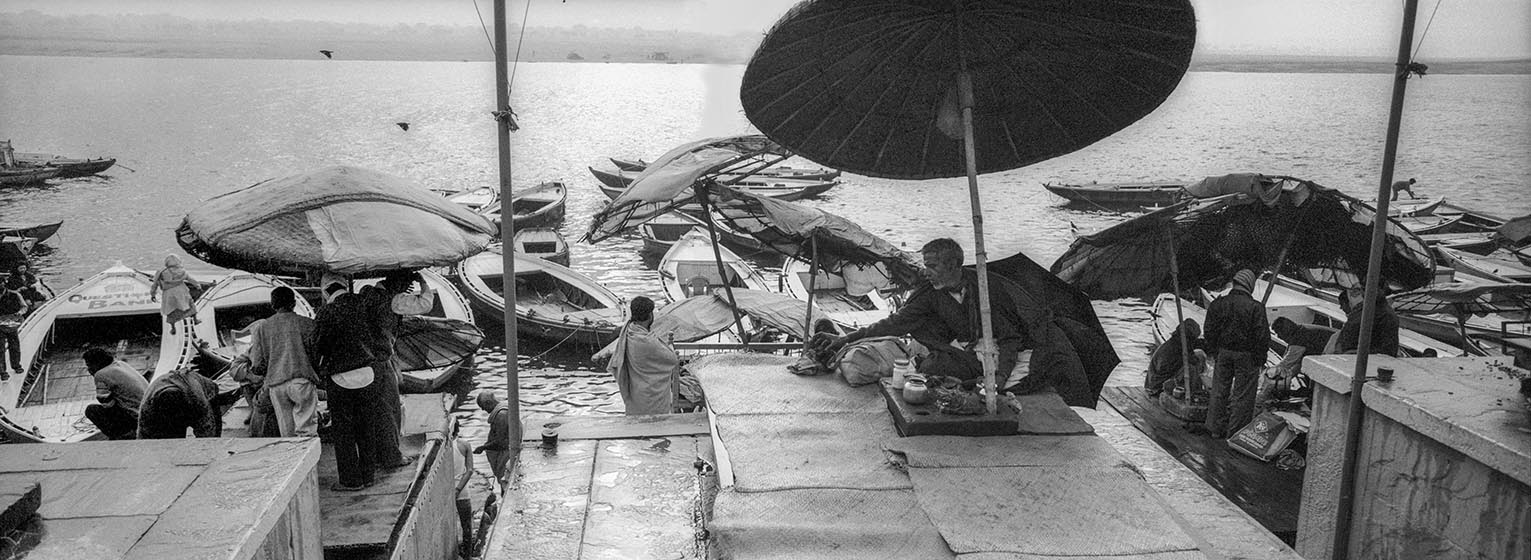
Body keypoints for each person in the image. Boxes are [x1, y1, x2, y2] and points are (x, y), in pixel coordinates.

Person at [813, 238, 1026, 387]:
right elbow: (896, 322)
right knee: (932, 366)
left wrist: (1001, 375)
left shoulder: (985, 288)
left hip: (989, 349)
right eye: (925, 265)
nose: (926, 272)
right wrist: (845, 339)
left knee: (935, 368)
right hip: (956, 349)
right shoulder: (929, 292)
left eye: (932, 266)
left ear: (953, 265)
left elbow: (1010, 337)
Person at [357, 271, 434, 469]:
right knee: (390, 409)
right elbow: (425, 304)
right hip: (380, 361)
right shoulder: (394, 301)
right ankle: (391, 456)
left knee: (373, 410)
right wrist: (422, 282)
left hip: (364, 360)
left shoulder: (367, 293)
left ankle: (376, 454)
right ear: (399, 284)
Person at [315, 276, 386, 491]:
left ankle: (350, 480)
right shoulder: (364, 304)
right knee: (366, 427)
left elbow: (320, 345)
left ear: (326, 292)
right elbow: (378, 336)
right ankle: (368, 475)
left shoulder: (327, 312)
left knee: (343, 431)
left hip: (341, 377)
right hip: (368, 373)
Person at [1201, 269, 1271, 439]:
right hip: (1247, 356)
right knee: (1243, 397)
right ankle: (1235, 433)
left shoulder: (1218, 303)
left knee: (1219, 391)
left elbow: (1209, 330)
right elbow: (1262, 336)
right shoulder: (1256, 307)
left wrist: (1215, 351)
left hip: (1223, 352)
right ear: (1250, 285)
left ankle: (1214, 428)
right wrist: (1260, 359)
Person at [247, 286, 320, 437]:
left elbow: (257, 364)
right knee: (307, 431)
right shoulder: (308, 324)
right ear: (294, 303)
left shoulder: (262, 327)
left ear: (272, 305)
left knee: (287, 434)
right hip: (302, 380)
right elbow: (317, 355)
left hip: (276, 384)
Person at [605, 296, 681, 415]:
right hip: (651, 398)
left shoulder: (629, 329)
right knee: (655, 424)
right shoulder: (647, 341)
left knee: (635, 422)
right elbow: (672, 359)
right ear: (650, 315)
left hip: (634, 393)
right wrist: (668, 347)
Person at [138, 366, 234, 439]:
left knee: (210, 432)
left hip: (195, 390)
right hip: (170, 394)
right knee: (170, 438)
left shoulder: (197, 398)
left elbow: (207, 431)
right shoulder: (150, 403)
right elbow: (143, 431)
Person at [82, 348, 148, 440]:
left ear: (96, 364)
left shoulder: (100, 374)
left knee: (91, 410)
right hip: (146, 411)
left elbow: (107, 404)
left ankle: (122, 436)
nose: (88, 369)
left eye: (89, 365)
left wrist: (95, 375)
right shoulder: (121, 364)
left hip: (136, 418)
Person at [1332, 288, 1400, 357]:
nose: (1341, 308)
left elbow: (1387, 351)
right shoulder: (1360, 311)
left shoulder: (1384, 315)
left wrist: (1354, 353)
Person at [1145, 319, 1205, 397]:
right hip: (1157, 385)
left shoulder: (1177, 342)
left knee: (1199, 355)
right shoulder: (1174, 348)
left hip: (1159, 380)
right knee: (1191, 368)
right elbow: (1189, 361)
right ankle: (1194, 391)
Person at [149, 255, 199, 335]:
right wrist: (197, 285)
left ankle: (173, 328)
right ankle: (195, 319)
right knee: (190, 304)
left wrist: (153, 294)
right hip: (181, 291)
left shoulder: (161, 272)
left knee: (171, 310)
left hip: (168, 293)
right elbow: (190, 279)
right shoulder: (181, 271)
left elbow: (155, 284)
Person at [472, 391, 511, 483]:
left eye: (483, 407)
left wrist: (483, 447)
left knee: (504, 479)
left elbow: (500, 442)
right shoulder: (503, 409)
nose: (483, 410)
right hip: (505, 451)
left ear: (488, 403)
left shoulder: (501, 415)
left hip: (505, 453)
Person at [0, 276, 28, 380]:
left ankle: (16, 366)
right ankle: (2, 372)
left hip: (12, 323)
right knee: (0, 348)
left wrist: (19, 313)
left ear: (4, 283)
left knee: (14, 346)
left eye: (1, 283)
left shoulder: (15, 294)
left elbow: (24, 307)